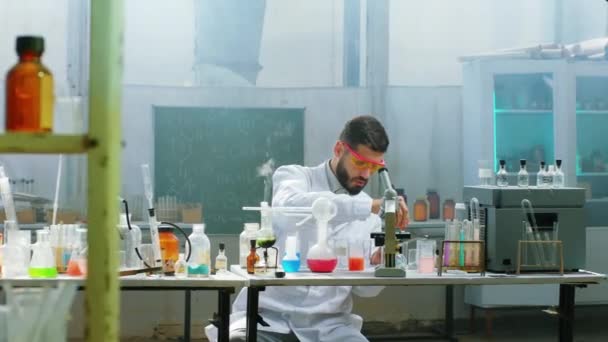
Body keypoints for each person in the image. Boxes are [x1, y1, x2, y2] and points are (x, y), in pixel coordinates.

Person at [205, 115, 409, 342]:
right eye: (360, 163)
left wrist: (382, 261)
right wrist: (368, 205)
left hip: (329, 328)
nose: (365, 175)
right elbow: (291, 206)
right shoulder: (294, 177)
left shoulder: (369, 217)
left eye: (373, 166)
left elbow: (364, 289)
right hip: (267, 319)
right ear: (339, 149)